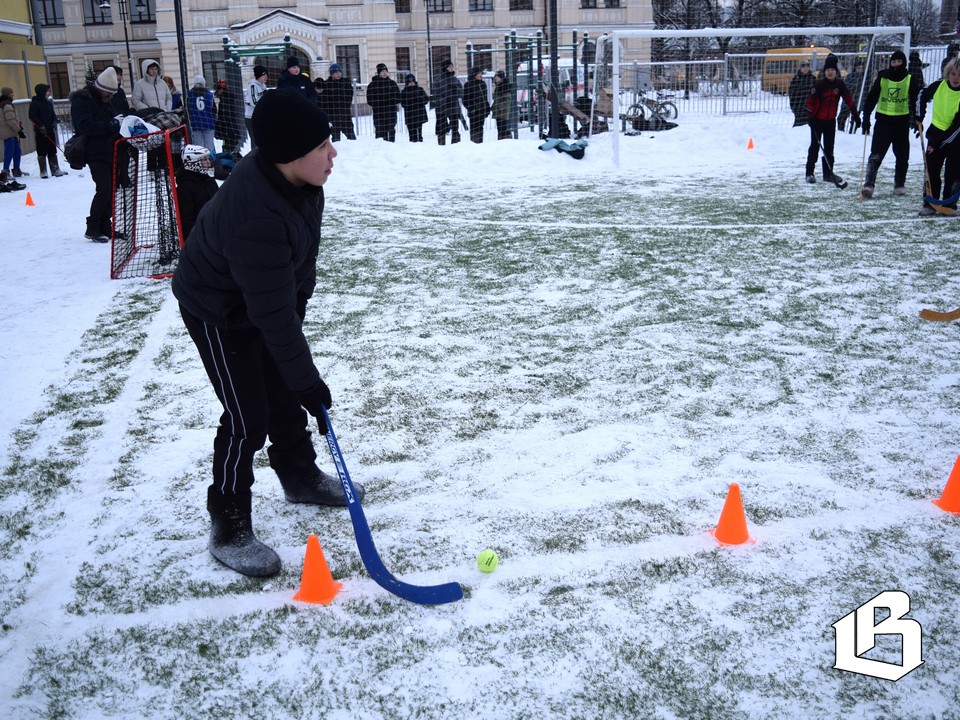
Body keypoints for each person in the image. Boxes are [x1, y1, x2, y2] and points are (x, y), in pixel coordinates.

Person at [171, 88, 365, 578]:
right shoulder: (255, 213)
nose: (333, 153)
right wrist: (307, 380)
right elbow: (270, 312)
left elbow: (296, 274)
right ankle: (229, 520)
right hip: (217, 309)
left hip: (259, 298)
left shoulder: (299, 183)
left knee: (280, 385)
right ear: (289, 154)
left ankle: (298, 473)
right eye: (323, 145)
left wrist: (292, 364)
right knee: (247, 415)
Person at [859, 50, 922, 199]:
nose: (896, 64)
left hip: (901, 123)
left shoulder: (909, 79)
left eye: (899, 62)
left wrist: (918, 119)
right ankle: (869, 184)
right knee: (876, 155)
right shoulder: (882, 77)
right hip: (883, 122)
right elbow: (871, 98)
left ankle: (899, 183)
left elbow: (916, 101)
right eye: (893, 62)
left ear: (904, 63)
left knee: (902, 156)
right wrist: (866, 118)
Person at [69, 67, 123, 242]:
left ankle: (105, 226)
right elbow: (85, 126)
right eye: (109, 93)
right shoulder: (82, 101)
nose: (111, 97)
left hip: (109, 149)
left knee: (111, 190)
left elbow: (111, 118)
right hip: (94, 151)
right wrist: (112, 125)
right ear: (102, 89)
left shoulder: (103, 99)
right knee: (104, 189)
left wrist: (121, 122)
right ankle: (92, 227)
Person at [803, 54, 861, 184]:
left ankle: (828, 174)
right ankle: (809, 173)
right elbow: (809, 102)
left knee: (829, 148)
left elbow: (849, 99)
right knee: (815, 147)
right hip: (817, 121)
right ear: (825, 72)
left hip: (830, 121)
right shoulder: (819, 85)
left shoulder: (840, 85)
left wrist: (855, 115)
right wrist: (810, 117)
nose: (830, 72)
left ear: (836, 72)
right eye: (828, 70)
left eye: (832, 70)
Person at [916, 59, 960, 216]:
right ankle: (929, 203)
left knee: (953, 173)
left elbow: (956, 128)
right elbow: (922, 94)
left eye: (959, 75)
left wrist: (937, 143)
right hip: (936, 133)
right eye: (953, 74)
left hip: (955, 139)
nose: (956, 78)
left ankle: (949, 204)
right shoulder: (939, 86)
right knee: (931, 170)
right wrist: (919, 115)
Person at [174, 144, 218, 245]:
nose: (208, 162)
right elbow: (187, 221)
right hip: (202, 239)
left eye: (208, 159)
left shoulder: (209, 180)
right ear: (193, 163)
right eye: (204, 160)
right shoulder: (184, 188)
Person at [28, 83, 67, 179]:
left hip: (50, 130)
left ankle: (55, 169)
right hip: (41, 132)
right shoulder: (34, 103)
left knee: (52, 150)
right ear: (42, 92)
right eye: (48, 91)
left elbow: (53, 115)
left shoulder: (49, 103)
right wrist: (41, 126)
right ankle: (43, 171)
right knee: (42, 150)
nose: (49, 93)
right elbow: (32, 116)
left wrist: (54, 122)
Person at [1, 87, 29, 186]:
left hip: (12, 132)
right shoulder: (7, 105)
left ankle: (17, 170)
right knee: (9, 152)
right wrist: (19, 130)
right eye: (11, 93)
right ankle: (5, 172)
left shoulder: (7, 104)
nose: (13, 94)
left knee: (17, 151)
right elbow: (10, 120)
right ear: (7, 94)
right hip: (9, 132)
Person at [366, 63, 400, 142]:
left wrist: (391, 100)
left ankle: (392, 149)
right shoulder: (372, 85)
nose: (384, 73)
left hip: (391, 112)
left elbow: (398, 97)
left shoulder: (392, 84)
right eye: (382, 71)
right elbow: (370, 100)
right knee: (380, 134)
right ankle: (380, 151)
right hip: (379, 113)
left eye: (386, 71)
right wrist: (380, 101)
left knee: (391, 131)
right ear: (378, 73)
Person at [322, 64, 356, 141]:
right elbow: (324, 101)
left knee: (351, 137)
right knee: (336, 139)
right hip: (333, 116)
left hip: (345, 115)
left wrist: (345, 108)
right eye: (336, 72)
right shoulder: (326, 84)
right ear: (331, 73)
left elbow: (349, 97)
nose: (338, 74)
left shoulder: (346, 83)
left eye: (339, 72)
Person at [433, 59, 463, 144]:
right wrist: (445, 99)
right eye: (449, 66)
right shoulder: (438, 80)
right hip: (442, 108)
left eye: (452, 66)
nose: (451, 68)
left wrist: (455, 89)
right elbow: (435, 95)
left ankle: (456, 144)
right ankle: (442, 147)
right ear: (445, 68)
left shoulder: (455, 79)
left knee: (455, 128)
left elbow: (461, 93)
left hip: (454, 107)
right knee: (442, 129)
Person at [214, 79, 244, 156]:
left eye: (217, 90)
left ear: (221, 89)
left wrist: (220, 127)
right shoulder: (227, 98)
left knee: (227, 148)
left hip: (228, 131)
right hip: (230, 131)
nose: (216, 92)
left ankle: (229, 160)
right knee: (228, 146)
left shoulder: (224, 100)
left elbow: (224, 115)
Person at [187, 76, 217, 154]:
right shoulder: (209, 95)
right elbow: (214, 109)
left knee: (198, 147)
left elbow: (188, 109)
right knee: (209, 146)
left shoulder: (189, 94)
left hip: (195, 124)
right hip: (208, 123)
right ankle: (210, 162)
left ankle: (201, 163)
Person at [837, 58, 866, 132]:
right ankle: (841, 131)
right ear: (855, 68)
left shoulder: (864, 77)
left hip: (858, 101)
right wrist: (852, 87)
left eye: (861, 68)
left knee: (855, 119)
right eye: (858, 68)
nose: (860, 70)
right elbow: (845, 87)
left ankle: (852, 132)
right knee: (841, 118)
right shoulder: (850, 76)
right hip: (848, 101)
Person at [463, 67, 490, 143]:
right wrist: (472, 109)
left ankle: (480, 145)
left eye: (481, 73)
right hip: (474, 113)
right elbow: (465, 100)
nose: (480, 75)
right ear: (474, 74)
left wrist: (487, 108)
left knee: (480, 128)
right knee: (474, 130)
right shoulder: (468, 85)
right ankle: (474, 146)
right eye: (479, 73)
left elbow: (485, 98)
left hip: (482, 111)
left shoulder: (483, 84)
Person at [245, 65, 269, 150]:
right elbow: (253, 102)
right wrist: (265, 106)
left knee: (262, 138)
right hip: (251, 117)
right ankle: (255, 158)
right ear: (259, 76)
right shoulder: (253, 86)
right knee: (255, 140)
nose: (266, 77)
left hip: (260, 116)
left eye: (266, 74)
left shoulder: (263, 86)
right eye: (264, 75)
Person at [399, 74, 429, 142]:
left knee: (419, 133)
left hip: (419, 114)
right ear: (407, 83)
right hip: (410, 116)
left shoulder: (420, 90)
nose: (411, 83)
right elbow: (403, 103)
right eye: (409, 82)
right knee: (412, 135)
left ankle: (420, 143)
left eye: (413, 81)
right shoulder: (404, 92)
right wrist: (410, 99)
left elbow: (426, 99)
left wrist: (419, 98)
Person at [788, 60, 815, 127]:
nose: (805, 68)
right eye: (803, 66)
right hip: (799, 108)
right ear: (800, 68)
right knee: (798, 126)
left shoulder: (813, 79)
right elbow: (791, 94)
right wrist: (794, 107)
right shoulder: (796, 80)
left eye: (807, 66)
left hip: (810, 108)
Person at [491, 70, 515, 140]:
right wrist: (493, 107)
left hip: (503, 112)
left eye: (497, 77)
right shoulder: (498, 86)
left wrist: (498, 107)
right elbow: (496, 99)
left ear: (501, 78)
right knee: (500, 129)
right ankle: (501, 142)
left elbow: (507, 100)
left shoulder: (505, 87)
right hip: (498, 111)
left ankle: (506, 141)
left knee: (503, 128)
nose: (495, 78)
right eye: (495, 76)